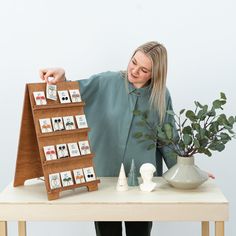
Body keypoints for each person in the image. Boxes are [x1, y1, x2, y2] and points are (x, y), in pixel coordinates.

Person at [39, 41, 214, 236]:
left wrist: (189, 170)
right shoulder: (105, 81)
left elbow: (168, 140)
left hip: (142, 183)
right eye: (133, 62)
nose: (134, 71)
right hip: (104, 178)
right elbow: (70, 94)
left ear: (155, 73)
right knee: (106, 233)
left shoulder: (161, 96)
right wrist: (63, 78)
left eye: (144, 69)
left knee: (139, 232)